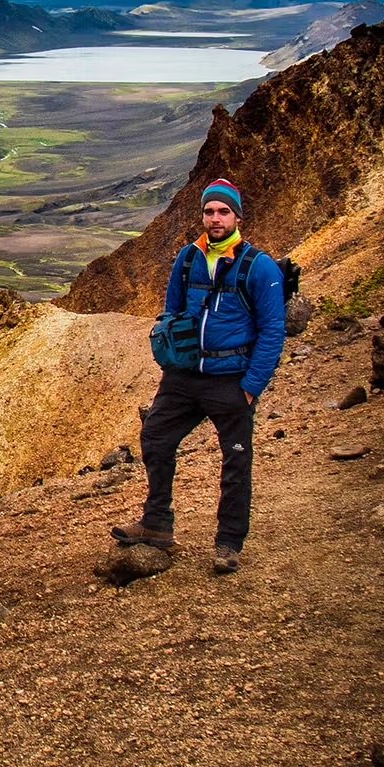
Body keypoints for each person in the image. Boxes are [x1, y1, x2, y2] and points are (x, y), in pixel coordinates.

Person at [111, 178, 286, 574]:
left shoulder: (259, 267)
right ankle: (156, 525)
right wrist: (171, 358)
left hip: (232, 378)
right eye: (209, 211)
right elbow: (171, 313)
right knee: (156, 437)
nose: (215, 218)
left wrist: (251, 387)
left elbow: (273, 330)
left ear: (238, 216)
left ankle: (228, 542)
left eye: (223, 211)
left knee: (236, 460)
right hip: (186, 375)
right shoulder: (188, 259)